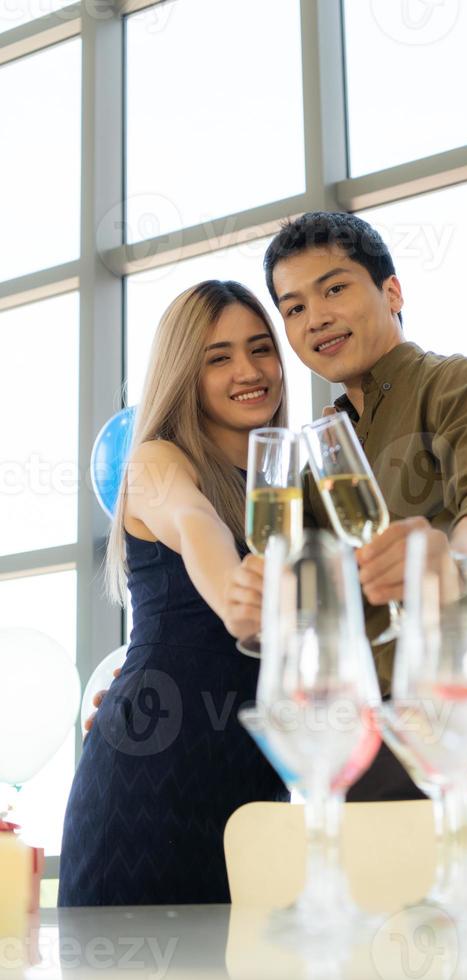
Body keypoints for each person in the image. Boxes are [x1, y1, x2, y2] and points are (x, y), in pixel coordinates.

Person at [255, 210, 467, 801]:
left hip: (432, 727)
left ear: (392, 290)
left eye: (334, 288)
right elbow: (285, 588)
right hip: (336, 739)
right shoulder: (320, 451)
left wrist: (451, 558)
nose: (317, 318)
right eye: (295, 308)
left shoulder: (456, 384)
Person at [58, 280, 290, 907]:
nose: (248, 371)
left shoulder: (290, 481)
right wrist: (237, 593)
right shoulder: (157, 460)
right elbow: (197, 525)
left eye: (261, 349)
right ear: (186, 372)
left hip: (256, 773)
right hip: (150, 777)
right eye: (218, 357)